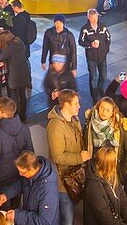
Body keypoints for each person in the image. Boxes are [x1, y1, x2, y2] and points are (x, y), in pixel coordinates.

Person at [46, 89, 88, 225]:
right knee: (67, 218)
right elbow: (57, 157)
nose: (79, 106)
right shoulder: (56, 126)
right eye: (75, 103)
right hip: (63, 182)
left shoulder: (74, 119)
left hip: (75, 175)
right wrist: (80, 158)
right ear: (66, 105)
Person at [0, 97, 35, 196]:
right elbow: (30, 153)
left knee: (2, 206)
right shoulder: (25, 129)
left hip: (1, 180)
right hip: (20, 176)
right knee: (16, 205)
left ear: (3, 114)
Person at [0, 150, 60, 225]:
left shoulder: (48, 189)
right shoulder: (31, 174)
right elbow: (21, 184)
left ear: (31, 169)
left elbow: (44, 221)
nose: (20, 174)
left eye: (22, 172)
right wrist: (6, 194)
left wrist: (17, 216)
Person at [83, 97, 127, 182]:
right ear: (98, 107)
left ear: (112, 113)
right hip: (92, 172)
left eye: (108, 110)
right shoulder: (89, 122)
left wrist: (121, 174)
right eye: (102, 108)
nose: (104, 112)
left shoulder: (119, 126)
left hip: (112, 174)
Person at [82, 146, 127, 225]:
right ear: (107, 166)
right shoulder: (93, 187)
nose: (116, 166)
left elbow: (123, 202)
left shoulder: (111, 175)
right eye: (114, 163)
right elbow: (107, 219)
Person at [0, 30, 32, 123]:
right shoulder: (19, 42)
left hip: (15, 76)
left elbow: (0, 57)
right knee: (22, 95)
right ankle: (23, 117)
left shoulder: (9, 48)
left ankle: (15, 117)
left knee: (14, 97)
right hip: (24, 73)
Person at [77, 9, 112, 101]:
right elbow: (81, 42)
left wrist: (106, 50)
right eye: (92, 18)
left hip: (102, 57)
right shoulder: (85, 29)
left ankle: (101, 90)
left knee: (103, 76)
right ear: (88, 17)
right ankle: (94, 96)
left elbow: (108, 38)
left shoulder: (103, 27)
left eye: (95, 18)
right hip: (91, 58)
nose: (94, 20)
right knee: (93, 77)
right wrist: (90, 45)